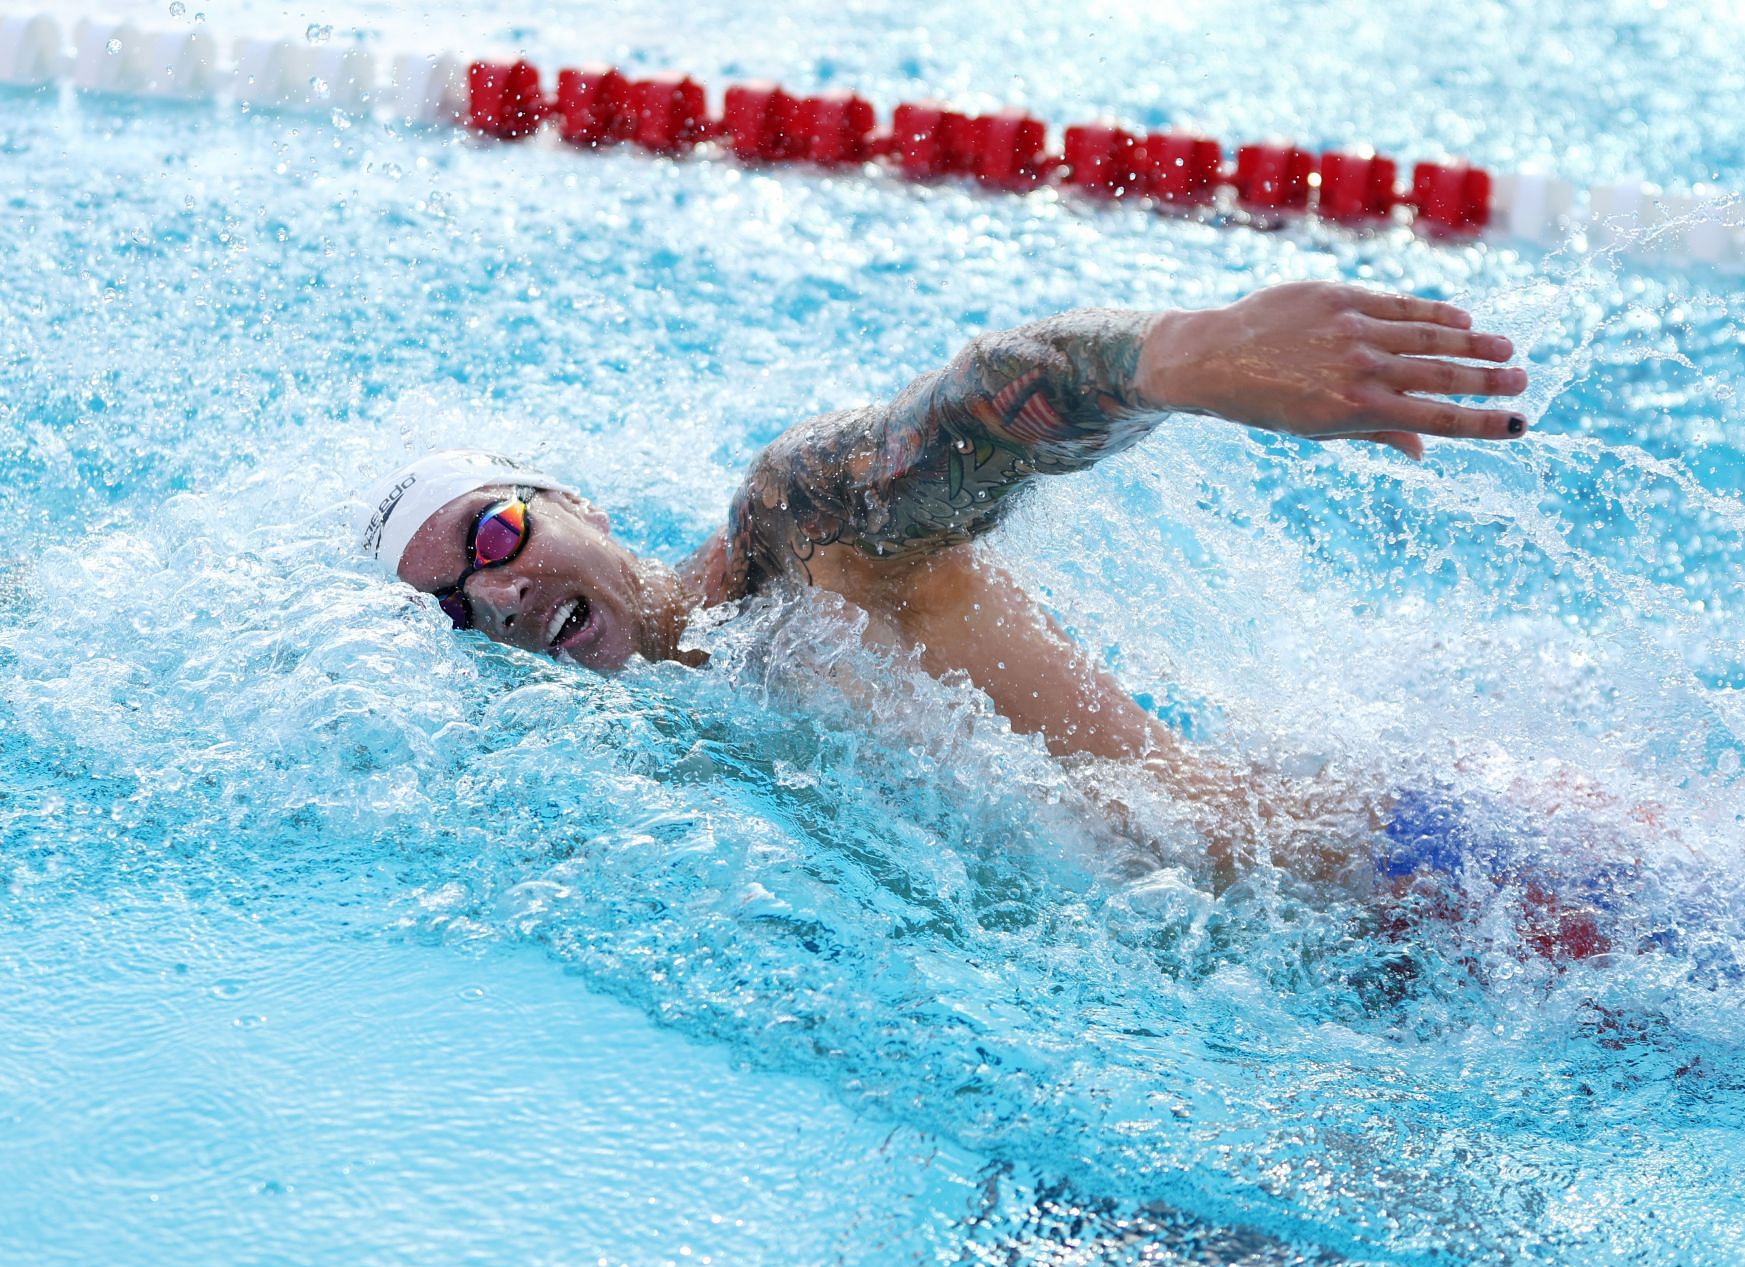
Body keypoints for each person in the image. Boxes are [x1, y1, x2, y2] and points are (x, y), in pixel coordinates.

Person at [355, 281, 1532, 885]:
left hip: (1436, 879)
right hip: (1339, 995)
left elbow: (953, 420)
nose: (495, 596)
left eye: (495, 536)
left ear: (580, 505)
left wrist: (1182, 358)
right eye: (454, 605)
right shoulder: (668, 747)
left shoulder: (789, 545)